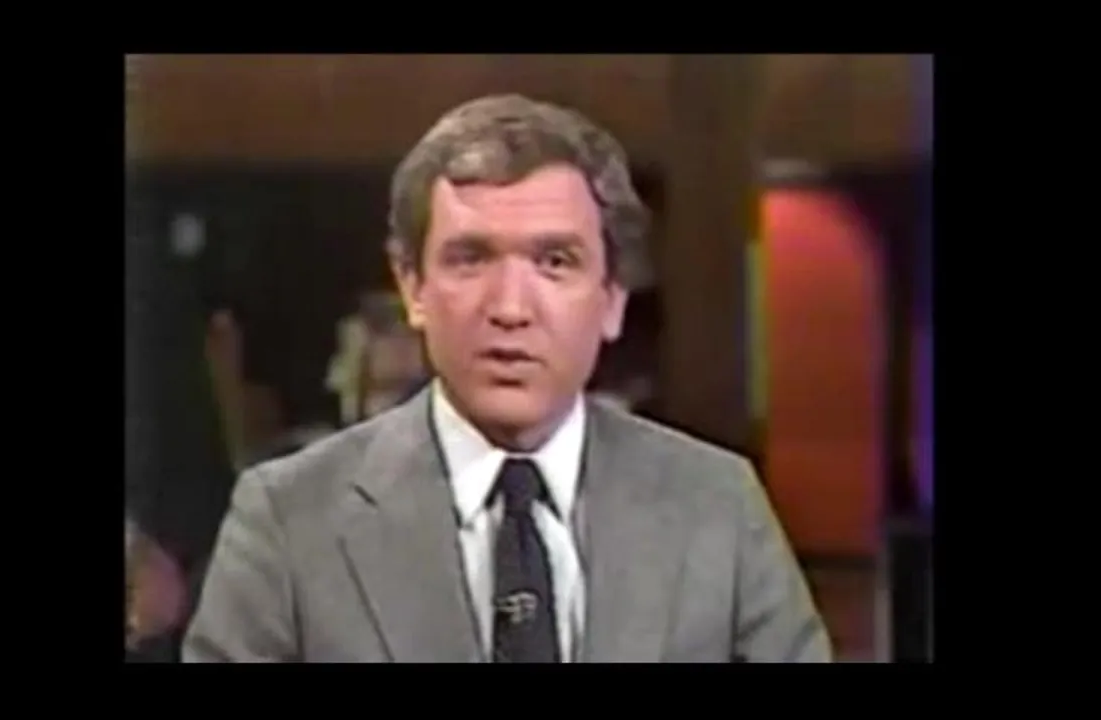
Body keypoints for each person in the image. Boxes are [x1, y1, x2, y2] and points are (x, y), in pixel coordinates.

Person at [183, 94, 832, 662]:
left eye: (555, 261)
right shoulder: (287, 521)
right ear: (412, 286)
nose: (510, 308)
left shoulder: (718, 507)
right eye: (470, 259)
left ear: (612, 297)